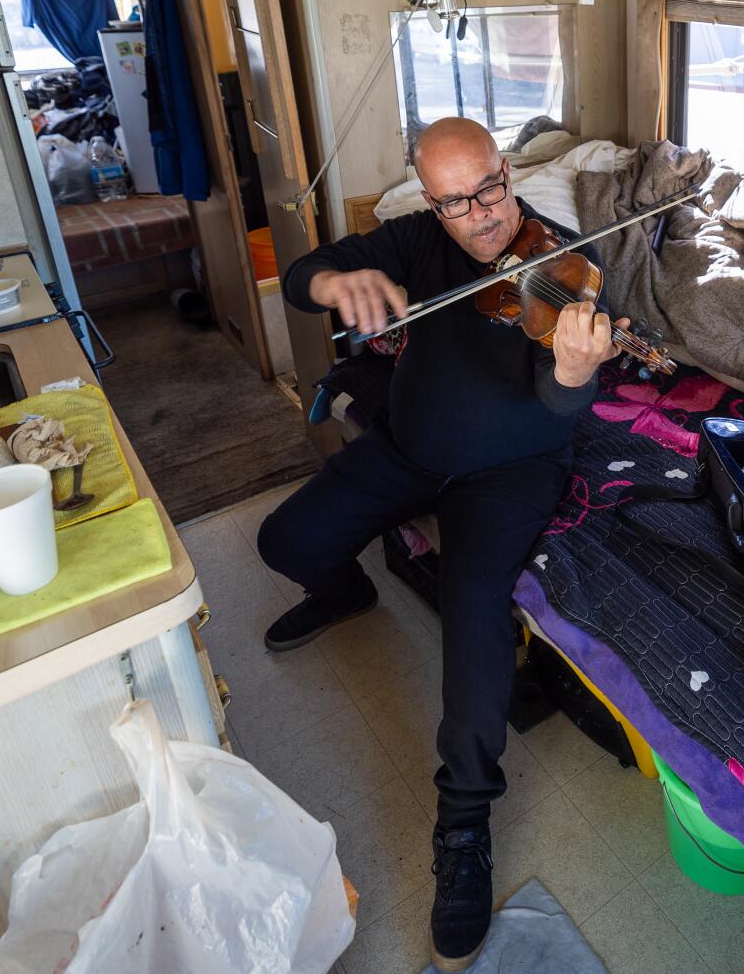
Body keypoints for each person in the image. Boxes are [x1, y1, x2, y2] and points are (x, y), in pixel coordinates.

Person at [258, 117, 624, 971]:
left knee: (472, 615)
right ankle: (347, 592)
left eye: (491, 188)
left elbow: (562, 399)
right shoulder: (417, 239)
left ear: (507, 171)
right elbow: (303, 274)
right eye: (457, 200)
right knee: (285, 539)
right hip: (410, 447)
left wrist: (573, 374)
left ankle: (463, 823)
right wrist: (336, 286)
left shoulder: (566, 263)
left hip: (511, 469)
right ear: (432, 199)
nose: (482, 215)